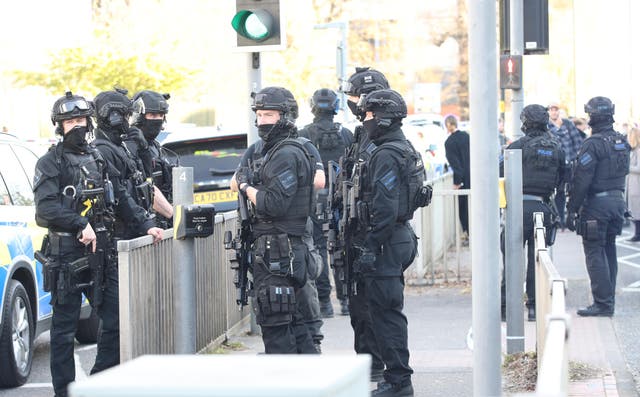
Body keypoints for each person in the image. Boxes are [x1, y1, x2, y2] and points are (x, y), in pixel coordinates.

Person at [34, 92, 162, 397]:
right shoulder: (50, 162)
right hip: (67, 256)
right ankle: (65, 392)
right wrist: (80, 223)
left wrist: (148, 224)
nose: (76, 126)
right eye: (70, 122)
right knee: (64, 334)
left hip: (101, 253)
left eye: (80, 120)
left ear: (89, 121)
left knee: (118, 320)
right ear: (60, 126)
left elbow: (121, 198)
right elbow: (45, 210)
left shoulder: (98, 157)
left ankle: (99, 382)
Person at [229, 86, 318, 354]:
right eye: (258, 115)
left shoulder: (286, 154)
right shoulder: (280, 151)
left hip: (279, 251)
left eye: (268, 114)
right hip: (281, 249)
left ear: (286, 116)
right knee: (294, 325)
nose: (261, 121)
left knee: (277, 325)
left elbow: (273, 204)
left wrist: (246, 187)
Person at [91, 89, 164, 371]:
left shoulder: (121, 145)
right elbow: (121, 195)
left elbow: (142, 180)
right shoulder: (103, 150)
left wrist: (141, 149)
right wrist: (146, 223)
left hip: (129, 239)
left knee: (129, 318)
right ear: (114, 114)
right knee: (115, 321)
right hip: (115, 244)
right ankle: (101, 379)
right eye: (126, 114)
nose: (130, 120)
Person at [357, 89, 421, 396]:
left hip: (387, 241)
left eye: (368, 115)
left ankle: (398, 381)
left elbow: (384, 206)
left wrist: (370, 246)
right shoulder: (403, 147)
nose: (365, 120)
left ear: (382, 119)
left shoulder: (385, 154)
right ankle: (395, 379)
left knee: (386, 314)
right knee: (385, 311)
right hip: (399, 236)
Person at [337, 66, 390, 382]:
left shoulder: (379, 140)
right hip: (359, 235)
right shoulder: (361, 136)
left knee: (373, 309)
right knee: (361, 309)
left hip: (373, 238)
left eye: (355, 97)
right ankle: (371, 366)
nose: (352, 103)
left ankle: (378, 369)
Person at [499, 104, 565, 321]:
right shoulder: (556, 148)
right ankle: (534, 308)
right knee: (537, 261)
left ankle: (506, 307)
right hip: (542, 208)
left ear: (524, 122)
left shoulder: (515, 147)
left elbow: (501, 176)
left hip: (517, 208)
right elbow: (562, 182)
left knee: (511, 259)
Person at [567, 96, 630, 317]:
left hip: (597, 205)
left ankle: (602, 304)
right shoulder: (621, 142)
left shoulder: (592, 144)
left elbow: (582, 179)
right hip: (617, 203)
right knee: (609, 249)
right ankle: (608, 299)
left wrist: (572, 210)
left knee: (594, 251)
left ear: (593, 116)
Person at [298, 88, 353, 318]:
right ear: (335, 107)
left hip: (315, 201)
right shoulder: (347, 134)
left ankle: (324, 303)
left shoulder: (304, 135)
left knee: (318, 248)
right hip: (343, 199)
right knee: (343, 248)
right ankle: (347, 300)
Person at [128, 90, 175, 228]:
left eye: (160, 115)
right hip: (145, 226)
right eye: (152, 115)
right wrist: (175, 216)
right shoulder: (131, 146)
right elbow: (144, 188)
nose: (157, 119)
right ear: (139, 116)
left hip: (162, 223)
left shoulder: (155, 146)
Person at [548, 101, 584, 229]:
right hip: (552, 166)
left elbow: (578, 142)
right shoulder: (546, 126)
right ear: (548, 112)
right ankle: (556, 219)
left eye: (556, 109)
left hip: (568, 165)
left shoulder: (568, 124)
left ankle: (566, 220)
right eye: (551, 110)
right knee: (553, 193)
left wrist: (573, 157)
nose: (554, 112)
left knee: (567, 192)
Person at [444, 114, 471, 242]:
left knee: (463, 208)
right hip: (473, 177)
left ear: (448, 126)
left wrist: (457, 182)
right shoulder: (467, 137)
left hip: (462, 180)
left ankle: (467, 232)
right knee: (472, 206)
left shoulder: (449, 142)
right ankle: (473, 232)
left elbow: (456, 165)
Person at [626, 127, 640, 241]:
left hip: (637, 184)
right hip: (632, 184)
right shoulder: (633, 150)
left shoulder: (638, 151)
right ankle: (637, 233)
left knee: (637, 209)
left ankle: (638, 234)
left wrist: (627, 167)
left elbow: (639, 168)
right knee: (634, 209)